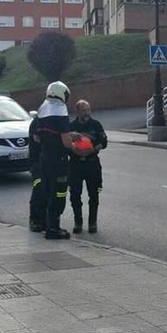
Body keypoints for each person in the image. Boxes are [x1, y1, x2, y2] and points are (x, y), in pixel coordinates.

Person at [35, 81, 90, 240]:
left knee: (47, 190)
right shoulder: (60, 110)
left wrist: (65, 135)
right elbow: (65, 141)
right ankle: (54, 228)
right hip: (58, 160)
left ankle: (46, 224)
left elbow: (39, 137)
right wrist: (77, 148)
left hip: (45, 157)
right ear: (62, 94)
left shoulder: (43, 108)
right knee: (59, 193)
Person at [68, 100, 107, 234]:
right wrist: (74, 150)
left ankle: (92, 223)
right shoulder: (71, 126)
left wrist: (93, 150)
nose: (87, 112)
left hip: (92, 163)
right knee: (75, 195)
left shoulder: (95, 125)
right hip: (75, 164)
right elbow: (65, 145)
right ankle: (78, 222)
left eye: (88, 109)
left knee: (94, 194)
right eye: (84, 110)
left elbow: (104, 142)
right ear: (77, 111)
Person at [27, 116, 47, 232]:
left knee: (49, 191)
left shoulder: (54, 120)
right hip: (37, 162)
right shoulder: (37, 122)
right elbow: (37, 138)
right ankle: (35, 220)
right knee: (38, 188)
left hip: (50, 162)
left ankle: (45, 220)